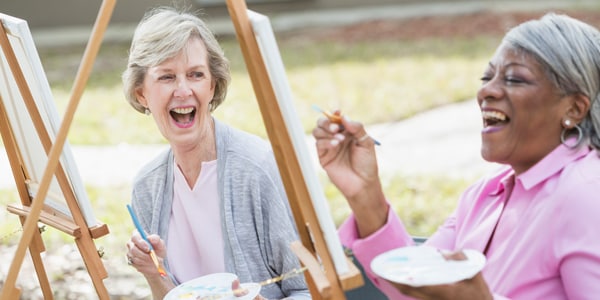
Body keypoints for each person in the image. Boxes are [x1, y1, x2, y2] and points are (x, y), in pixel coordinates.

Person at [313, 12, 600, 299]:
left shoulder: (586, 196)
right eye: (487, 77)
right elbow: (416, 287)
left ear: (574, 108)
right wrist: (365, 193)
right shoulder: (487, 193)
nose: (486, 90)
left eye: (514, 79)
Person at [122, 6, 310, 299]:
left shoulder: (258, 168)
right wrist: (152, 271)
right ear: (141, 93)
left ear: (213, 85)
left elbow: (311, 289)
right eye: (166, 77)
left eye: (196, 74)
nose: (183, 90)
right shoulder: (147, 187)